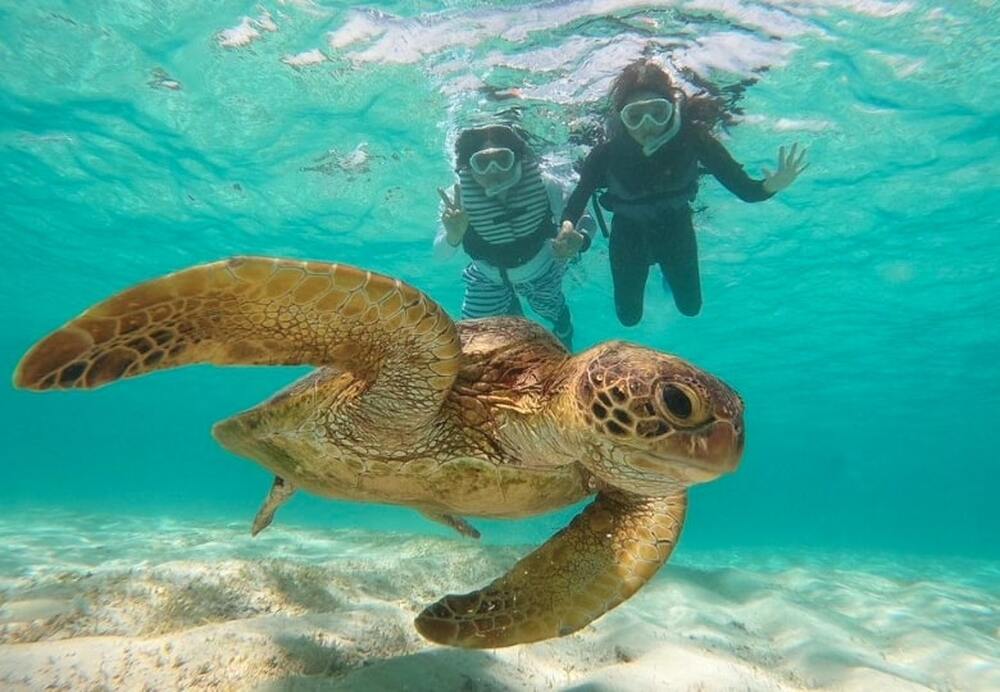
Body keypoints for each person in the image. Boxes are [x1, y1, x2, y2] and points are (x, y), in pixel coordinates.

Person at [561, 59, 808, 326]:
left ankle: (667, 277)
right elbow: (577, 201)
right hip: (628, 236)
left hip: (676, 229)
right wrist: (567, 228)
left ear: (672, 110)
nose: (647, 125)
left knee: (691, 308)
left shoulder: (693, 139)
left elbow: (747, 192)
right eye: (635, 116)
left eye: (658, 112)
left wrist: (773, 185)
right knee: (629, 318)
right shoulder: (605, 154)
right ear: (622, 118)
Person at [434, 124, 596, 350]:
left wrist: (581, 239)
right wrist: (453, 235)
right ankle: (510, 308)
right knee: (470, 339)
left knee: (552, 310)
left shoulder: (547, 185)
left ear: (518, 159)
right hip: (487, 277)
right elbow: (440, 255)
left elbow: (585, 218)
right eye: (482, 162)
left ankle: (563, 326)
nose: (493, 171)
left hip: (542, 271)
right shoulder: (457, 200)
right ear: (468, 166)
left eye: (503, 159)